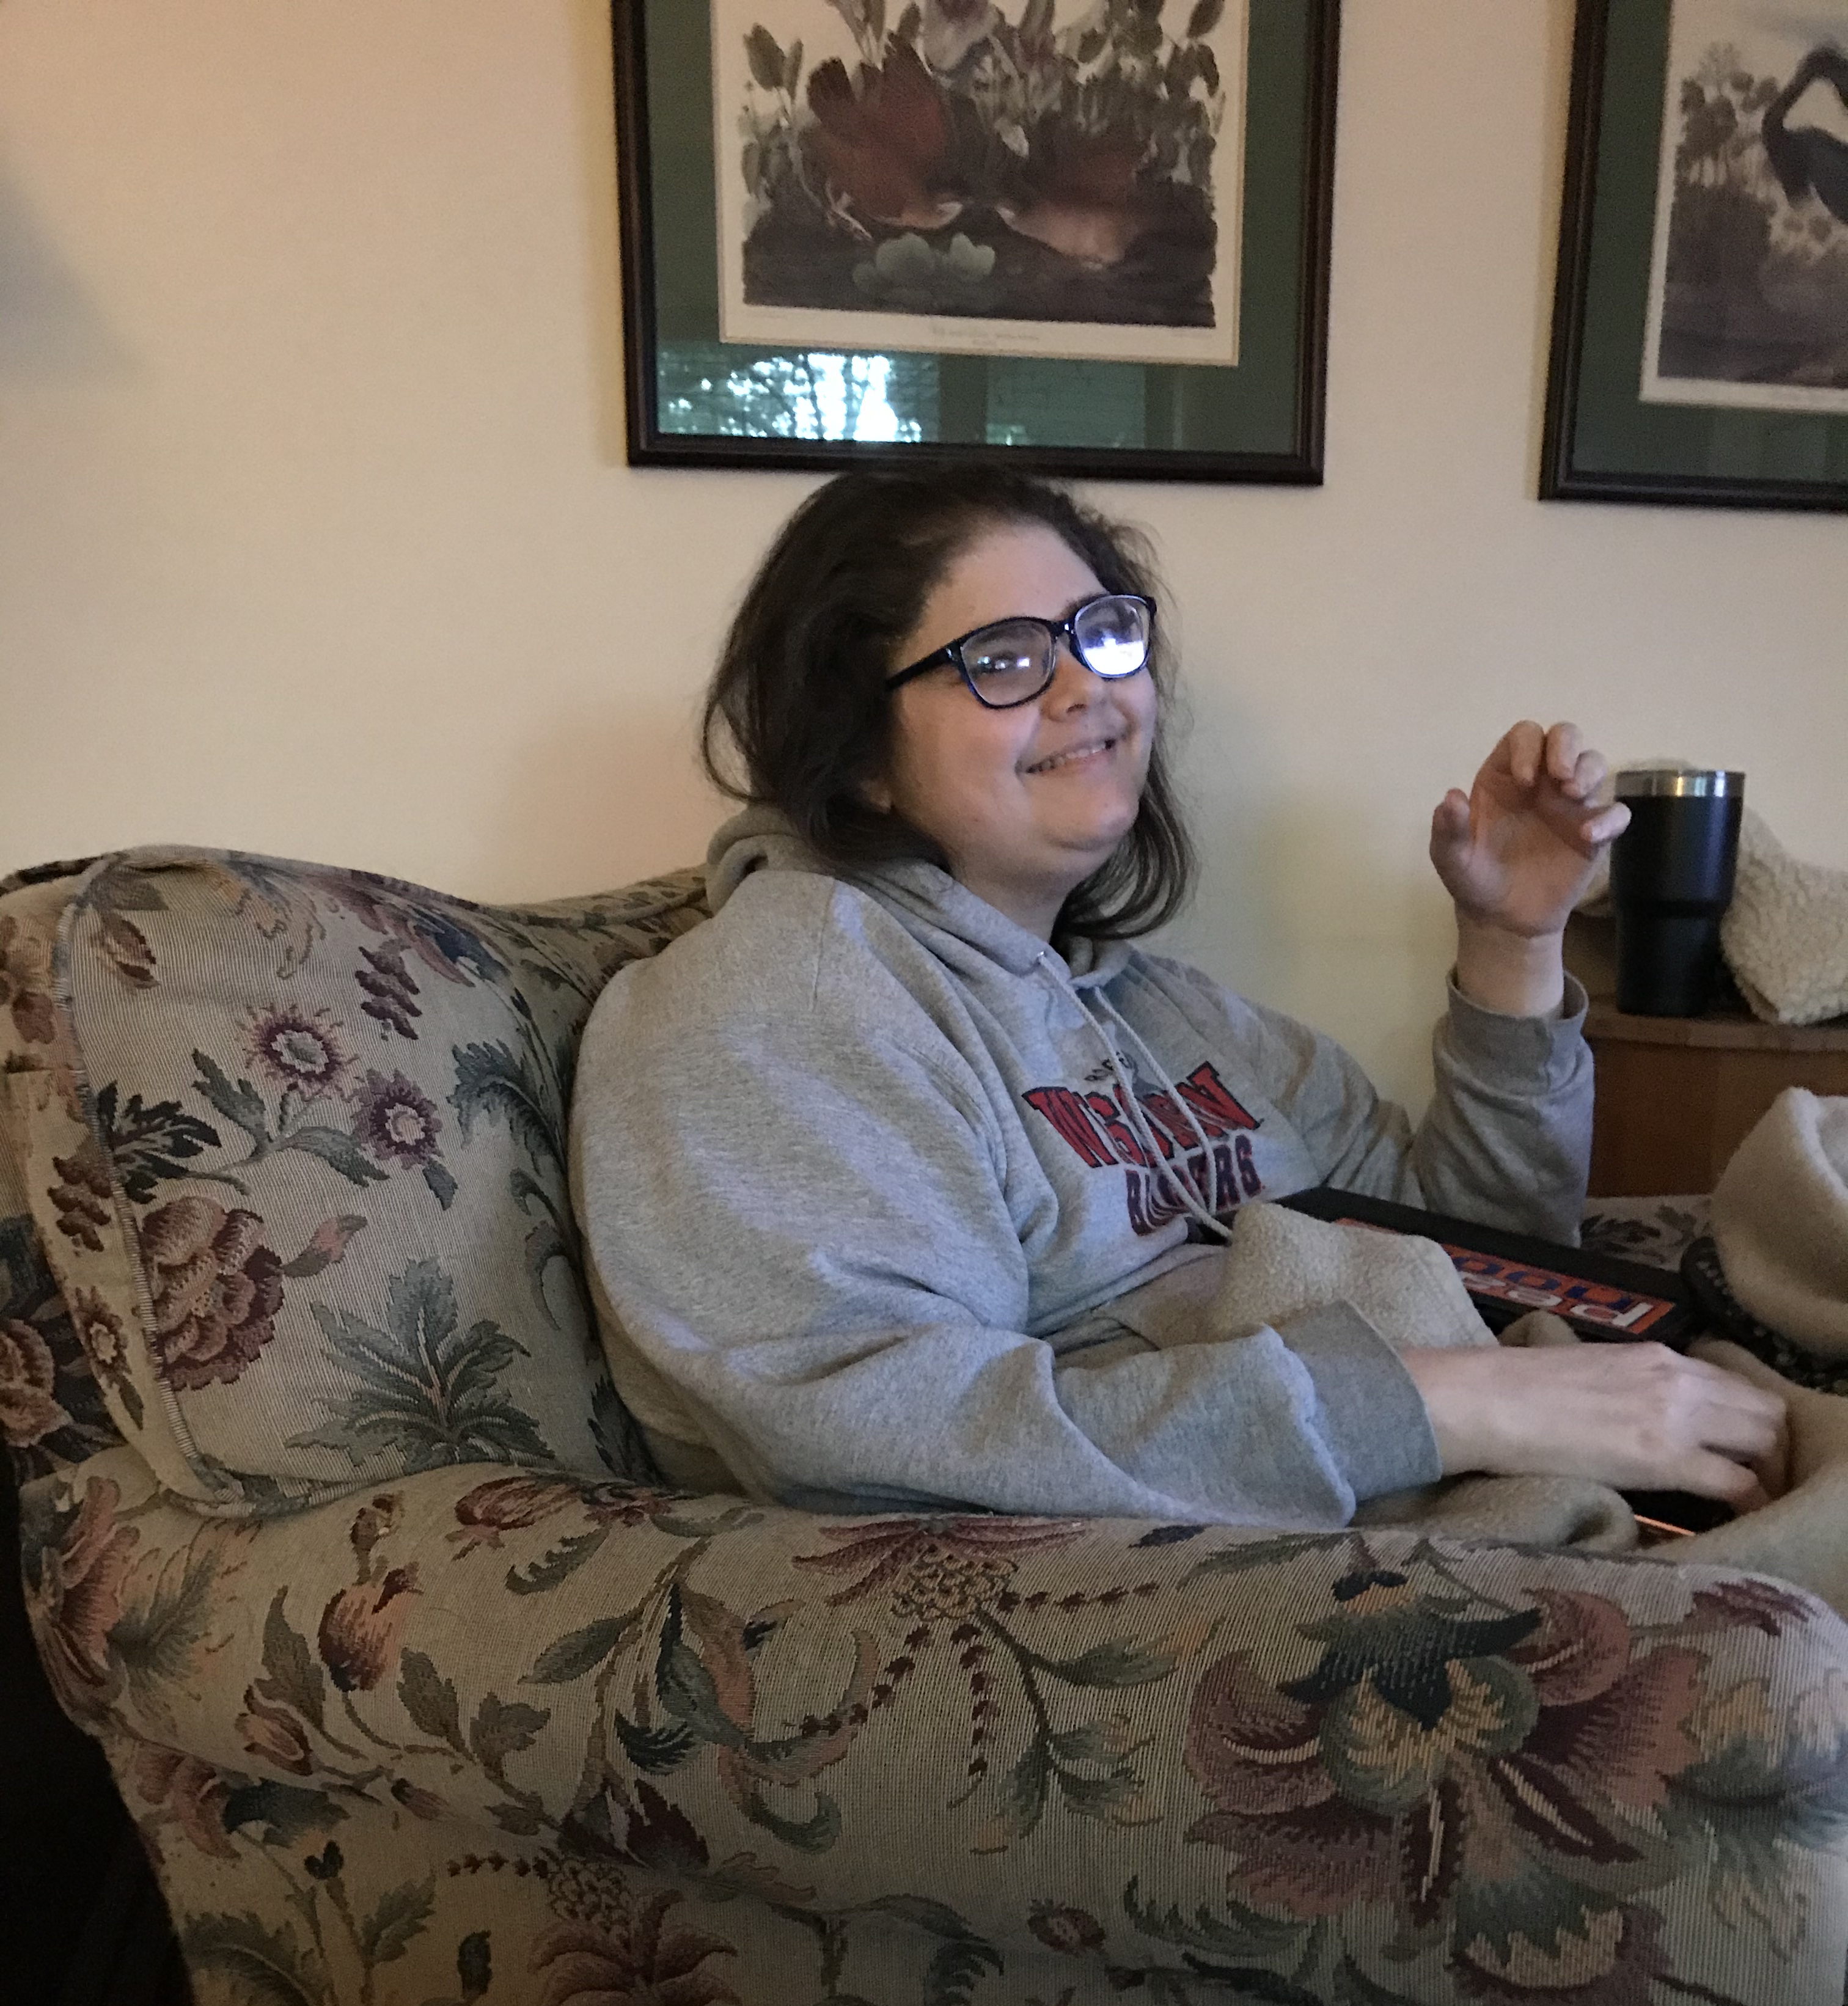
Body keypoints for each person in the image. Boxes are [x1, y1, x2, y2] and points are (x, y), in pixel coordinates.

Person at [568, 464, 1784, 1528]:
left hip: (1527, 1491)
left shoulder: (1176, 1015)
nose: (1085, 689)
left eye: (1101, 633)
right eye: (1004, 660)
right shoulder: (776, 1002)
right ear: (861, 757)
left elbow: (1497, 1259)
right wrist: (1456, 1405)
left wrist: (1514, 942)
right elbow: (874, 1436)